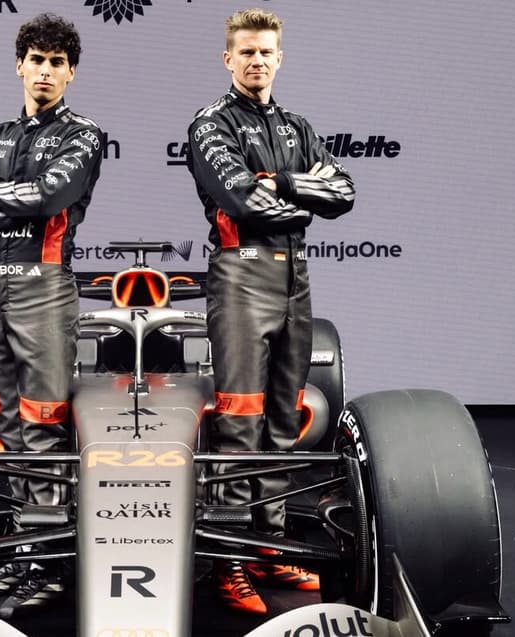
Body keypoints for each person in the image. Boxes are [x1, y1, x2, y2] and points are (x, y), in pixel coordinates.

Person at [186, 8, 355, 615]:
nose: (257, 61)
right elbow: (243, 199)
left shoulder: (297, 125)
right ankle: (228, 559)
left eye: (266, 53)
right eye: (246, 53)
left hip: (295, 277)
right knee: (239, 418)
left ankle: (271, 544)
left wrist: (279, 183)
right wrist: (297, 191)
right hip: (240, 274)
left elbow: (343, 193)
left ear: (280, 58)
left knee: (284, 417)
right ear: (227, 59)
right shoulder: (211, 124)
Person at [0, 13, 103, 620]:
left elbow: (48, 198)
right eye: (35, 60)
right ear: (19, 65)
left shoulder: (83, 135)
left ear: (71, 72)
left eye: (56, 62)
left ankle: (53, 562)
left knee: (43, 426)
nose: (45, 71)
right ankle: (24, 545)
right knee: (10, 424)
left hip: (44, 288)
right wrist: (1, 199)